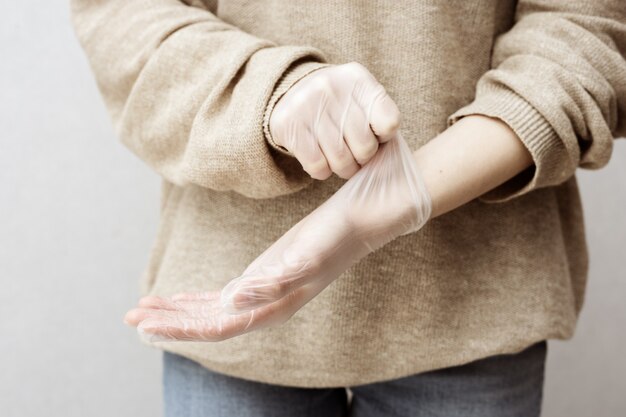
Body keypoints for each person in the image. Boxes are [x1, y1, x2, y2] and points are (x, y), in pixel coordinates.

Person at [71, 0, 626, 416]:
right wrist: (272, 94)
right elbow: (125, 16)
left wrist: (399, 195)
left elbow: (584, 31)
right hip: (231, 309)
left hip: (472, 312)